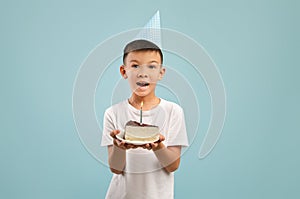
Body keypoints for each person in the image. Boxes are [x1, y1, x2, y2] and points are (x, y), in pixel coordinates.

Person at [101, 39, 189, 199]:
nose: (143, 73)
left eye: (152, 66)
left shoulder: (173, 111)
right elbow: (116, 168)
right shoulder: (112, 113)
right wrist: (119, 146)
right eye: (135, 66)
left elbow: (173, 166)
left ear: (161, 73)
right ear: (123, 71)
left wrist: (158, 147)